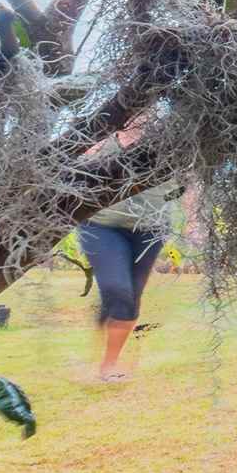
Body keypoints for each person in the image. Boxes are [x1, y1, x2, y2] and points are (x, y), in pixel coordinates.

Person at [77, 142, 179, 383]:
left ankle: (110, 361)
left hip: (151, 229)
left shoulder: (172, 138)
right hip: (101, 224)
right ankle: (108, 363)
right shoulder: (103, 134)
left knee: (131, 295)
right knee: (119, 290)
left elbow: (184, 184)